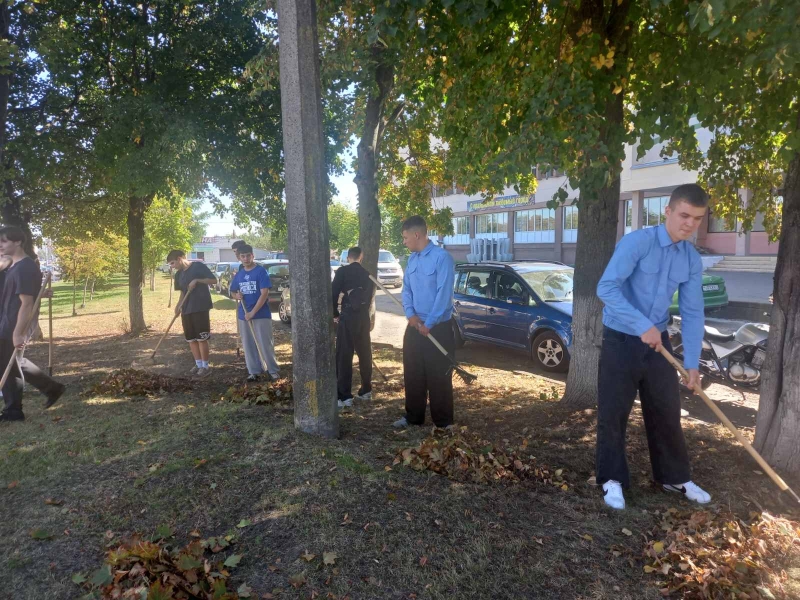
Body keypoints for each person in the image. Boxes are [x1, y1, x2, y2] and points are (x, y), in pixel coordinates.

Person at [595, 183, 712, 510]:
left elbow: (692, 312)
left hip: (659, 343)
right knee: (613, 412)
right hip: (620, 339)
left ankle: (674, 477)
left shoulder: (691, 259)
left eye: (697, 218)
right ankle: (612, 479)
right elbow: (606, 288)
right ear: (668, 211)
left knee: (667, 411)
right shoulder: (637, 242)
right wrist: (640, 324)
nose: (690, 224)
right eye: (684, 215)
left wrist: (692, 364)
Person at [393, 216, 456, 429]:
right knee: (413, 372)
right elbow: (406, 290)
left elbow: (443, 294)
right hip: (414, 326)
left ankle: (443, 421)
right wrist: (410, 315)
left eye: (405, 238)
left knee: (439, 374)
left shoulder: (442, 258)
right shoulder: (412, 260)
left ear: (417, 234)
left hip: (437, 328)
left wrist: (429, 323)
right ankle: (413, 417)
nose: (404, 242)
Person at [0, 255, 66, 409]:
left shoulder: (12, 264)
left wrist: (38, 294)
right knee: (11, 360)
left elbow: (18, 295)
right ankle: (51, 389)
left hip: (11, 321)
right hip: (6, 319)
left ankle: (13, 408)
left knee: (8, 361)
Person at [0, 226, 45, 421]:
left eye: (4, 241)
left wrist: (18, 333)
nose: (0, 245)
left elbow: (26, 303)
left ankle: (14, 410)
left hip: (13, 325)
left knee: (9, 368)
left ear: (17, 241)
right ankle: (12, 409)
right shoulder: (14, 266)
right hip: (6, 322)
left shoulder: (24, 267)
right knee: (7, 366)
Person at [229, 244, 280, 382]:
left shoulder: (261, 271)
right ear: (239, 258)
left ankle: (272, 370)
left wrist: (253, 312)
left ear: (253, 255)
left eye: (248, 256)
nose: (246, 258)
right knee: (248, 344)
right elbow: (233, 291)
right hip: (243, 314)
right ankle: (254, 371)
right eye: (243, 256)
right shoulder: (239, 274)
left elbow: (264, 294)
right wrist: (236, 296)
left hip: (261, 314)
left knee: (265, 343)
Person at [332, 246, 374, 408]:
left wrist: (335, 313)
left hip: (348, 316)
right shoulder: (367, 274)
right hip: (363, 317)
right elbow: (369, 298)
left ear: (348, 257)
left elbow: (333, 293)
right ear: (361, 257)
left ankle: (344, 396)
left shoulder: (342, 272)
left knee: (344, 354)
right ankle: (366, 390)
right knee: (365, 352)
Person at [167, 250, 216, 376]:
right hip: (186, 308)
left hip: (200, 307)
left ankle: (205, 366)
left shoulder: (198, 266)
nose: (172, 266)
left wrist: (197, 280)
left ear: (179, 259)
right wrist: (178, 306)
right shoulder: (178, 275)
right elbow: (183, 292)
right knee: (191, 339)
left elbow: (213, 280)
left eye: (172, 263)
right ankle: (198, 364)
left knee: (201, 338)